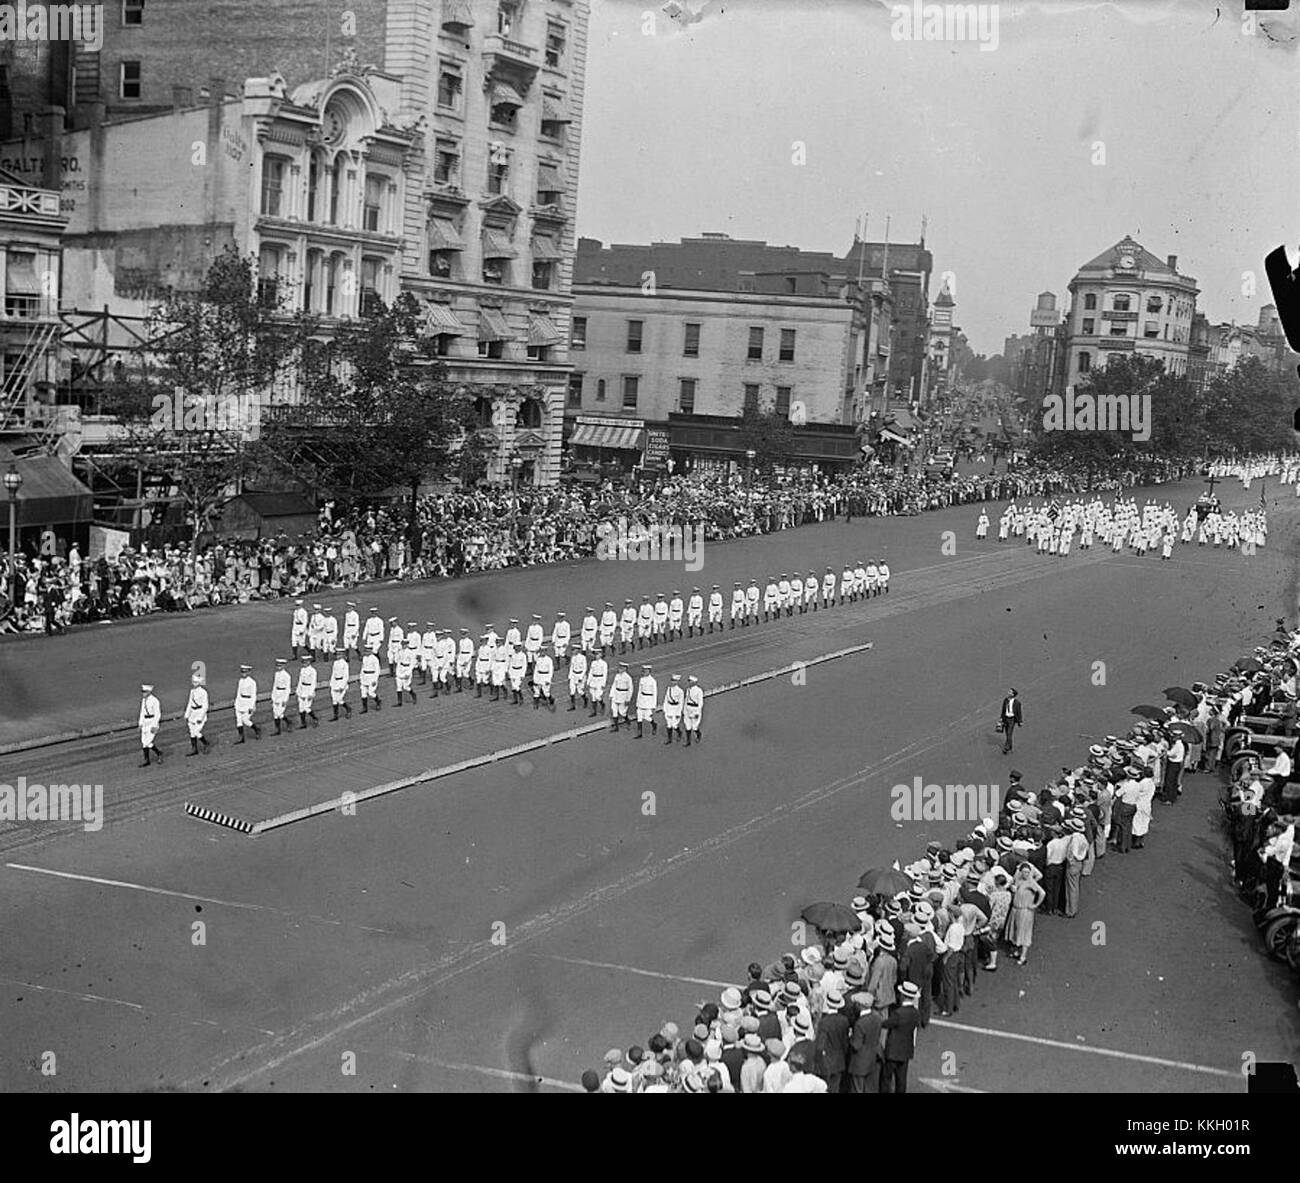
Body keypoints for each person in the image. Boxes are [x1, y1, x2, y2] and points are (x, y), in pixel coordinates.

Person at [879, 981, 921, 1094]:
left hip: (893, 1051)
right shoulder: (916, 1013)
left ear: (903, 996)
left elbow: (886, 1024)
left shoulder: (898, 1013)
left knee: (886, 1078)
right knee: (901, 1079)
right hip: (906, 1050)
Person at [1005, 862, 1046, 965]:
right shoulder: (1018, 881)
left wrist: (1035, 905)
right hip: (1016, 909)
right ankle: (1016, 951)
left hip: (1025, 911)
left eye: (1028, 872)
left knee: (1024, 933)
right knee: (1016, 931)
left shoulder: (1031, 882)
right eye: (1024, 872)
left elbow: (1042, 893)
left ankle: (1023, 956)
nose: (1026, 874)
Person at [847, 990, 882, 1092]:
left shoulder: (860, 1024)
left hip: (859, 1062)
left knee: (857, 1089)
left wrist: (850, 1037)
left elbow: (856, 1045)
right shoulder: (877, 1018)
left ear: (859, 1005)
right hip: (871, 1059)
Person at [184, 671, 212, 756]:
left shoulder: (203, 692)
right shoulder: (192, 691)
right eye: (193, 682)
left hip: (200, 713)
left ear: (199, 683)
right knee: (192, 732)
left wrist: (201, 717)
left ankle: (206, 743)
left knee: (196, 732)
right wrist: (187, 713)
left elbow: (205, 706)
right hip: (193, 713)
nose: (194, 683)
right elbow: (190, 703)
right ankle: (194, 749)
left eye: (196, 682)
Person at [233, 663, 261, 742]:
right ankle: (241, 737)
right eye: (242, 672)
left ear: (249, 672)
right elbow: (238, 692)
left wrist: (251, 706)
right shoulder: (240, 681)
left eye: (245, 672)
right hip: (240, 702)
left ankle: (256, 729)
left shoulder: (252, 682)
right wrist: (236, 702)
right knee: (238, 721)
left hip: (248, 703)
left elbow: (253, 695)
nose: (243, 674)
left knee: (246, 720)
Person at [138, 683, 164, 766]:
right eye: (142, 692)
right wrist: (140, 723)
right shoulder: (144, 700)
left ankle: (155, 755)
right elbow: (142, 712)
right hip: (145, 722)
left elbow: (157, 714)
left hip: (152, 722)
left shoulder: (155, 701)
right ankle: (155, 755)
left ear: (149, 692)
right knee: (144, 742)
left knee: (147, 742)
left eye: (145, 692)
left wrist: (154, 725)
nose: (143, 693)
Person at [296, 654, 320, 728]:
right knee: (301, 708)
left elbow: (313, 682)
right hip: (302, 688)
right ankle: (303, 723)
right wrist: (298, 690)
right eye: (303, 662)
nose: (304, 663)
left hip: (308, 689)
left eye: (306, 661)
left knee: (307, 708)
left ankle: (315, 718)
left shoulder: (313, 671)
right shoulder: (302, 670)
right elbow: (300, 680)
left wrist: (311, 692)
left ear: (309, 662)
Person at [635, 664, 659, 738]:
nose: (645, 672)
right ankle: (640, 733)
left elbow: (655, 693)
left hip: (648, 700)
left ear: (649, 671)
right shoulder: (641, 679)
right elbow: (639, 691)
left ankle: (654, 724)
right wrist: (637, 701)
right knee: (639, 715)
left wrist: (653, 705)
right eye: (644, 671)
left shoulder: (652, 681)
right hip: (641, 699)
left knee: (647, 717)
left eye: (646, 671)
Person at [662, 673, 685, 744]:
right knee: (669, 724)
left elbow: (681, 702)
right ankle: (669, 739)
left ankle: (679, 733)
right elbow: (666, 699)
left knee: (674, 725)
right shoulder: (668, 689)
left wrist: (679, 712)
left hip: (676, 708)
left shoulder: (680, 691)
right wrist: (664, 708)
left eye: (675, 681)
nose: (673, 682)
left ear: (677, 681)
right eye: (672, 680)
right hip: (669, 708)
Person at [271, 657, 292, 733]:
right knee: (275, 713)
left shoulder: (287, 676)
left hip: (283, 694)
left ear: (284, 666)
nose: (278, 667)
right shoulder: (276, 674)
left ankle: (288, 721)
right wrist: (273, 696)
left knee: (279, 713)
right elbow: (274, 685)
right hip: (276, 693)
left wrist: (285, 699)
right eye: (277, 665)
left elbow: (288, 688)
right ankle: (277, 729)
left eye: (280, 666)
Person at [999, 688, 1023, 754]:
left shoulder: (1017, 703)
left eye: (1010, 692)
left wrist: (1020, 721)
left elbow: (1019, 712)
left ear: (1013, 694)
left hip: (1012, 720)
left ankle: (1006, 748)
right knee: (1007, 734)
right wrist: (1001, 718)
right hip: (1005, 719)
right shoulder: (1005, 700)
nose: (1008, 692)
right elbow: (1003, 710)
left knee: (1009, 733)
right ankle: (1010, 747)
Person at [329, 653, 352, 720]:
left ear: (342, 655)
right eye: (336, 655)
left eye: (339, 655)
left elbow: (346, 675)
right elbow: (333, 673)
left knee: (339, 699)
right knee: (334, 700)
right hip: (335, 682)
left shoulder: (345, 664)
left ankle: (348, 708)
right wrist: (331, 682)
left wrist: (342, 685)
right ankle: (335, 716)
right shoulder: (335, 663)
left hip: (341, 682)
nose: (337, 656)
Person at [682, 674, 704, 746]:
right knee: (687, 725)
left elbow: (700, 702)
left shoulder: (699, 691)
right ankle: (688, 741)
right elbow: (686, 700)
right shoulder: (688, 690)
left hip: (695, 709)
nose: (689, 682)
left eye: (690, 681)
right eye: (689, 681)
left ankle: (698, 734)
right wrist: (684, 709)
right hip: (688, 708)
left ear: (694, 682)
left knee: (694, 726)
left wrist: (697, 712)